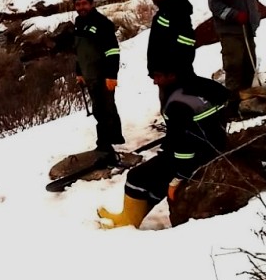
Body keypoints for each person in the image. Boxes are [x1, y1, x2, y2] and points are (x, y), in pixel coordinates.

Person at [96, 69, 230, 229]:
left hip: (197, 155)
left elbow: (183, 146)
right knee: (155, 175)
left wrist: (178, 179)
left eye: (158, 76)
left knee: (136, 177)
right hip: (213, 145)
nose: (155, 81)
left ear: (172, 74)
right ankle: (129, 216)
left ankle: (127, 222)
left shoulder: (177, 103)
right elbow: (182, 132)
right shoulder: (202, 85)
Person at [72, 0, 125, 155]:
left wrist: (111, 76)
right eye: (78, 4)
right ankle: (114, 137)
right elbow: (79, 51)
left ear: (92, 4)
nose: (81, 7)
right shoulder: (78, 23)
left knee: (103, 109)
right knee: (104, 107)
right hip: (89, 75)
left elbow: (113, 51)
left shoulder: (102, 23)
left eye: (84, 4)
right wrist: (79, 72)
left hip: (103, 74)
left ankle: (105, 144)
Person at [208, 0, 260, 94]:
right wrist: (234, 15)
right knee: (234, 65)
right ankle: (232, 99)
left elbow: (252, 0)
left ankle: (247, 97)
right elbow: (215, 5)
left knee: (250, 65)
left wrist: (255, 18)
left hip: (247, 30)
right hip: (230, 32)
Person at [147, 0, 197, 102]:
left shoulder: (177, 10)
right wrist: (154, 71)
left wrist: (171, 73)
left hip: (175, 77)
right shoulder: (164, 10)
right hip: (163, 76)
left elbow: (187, 43)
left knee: (178, 108)